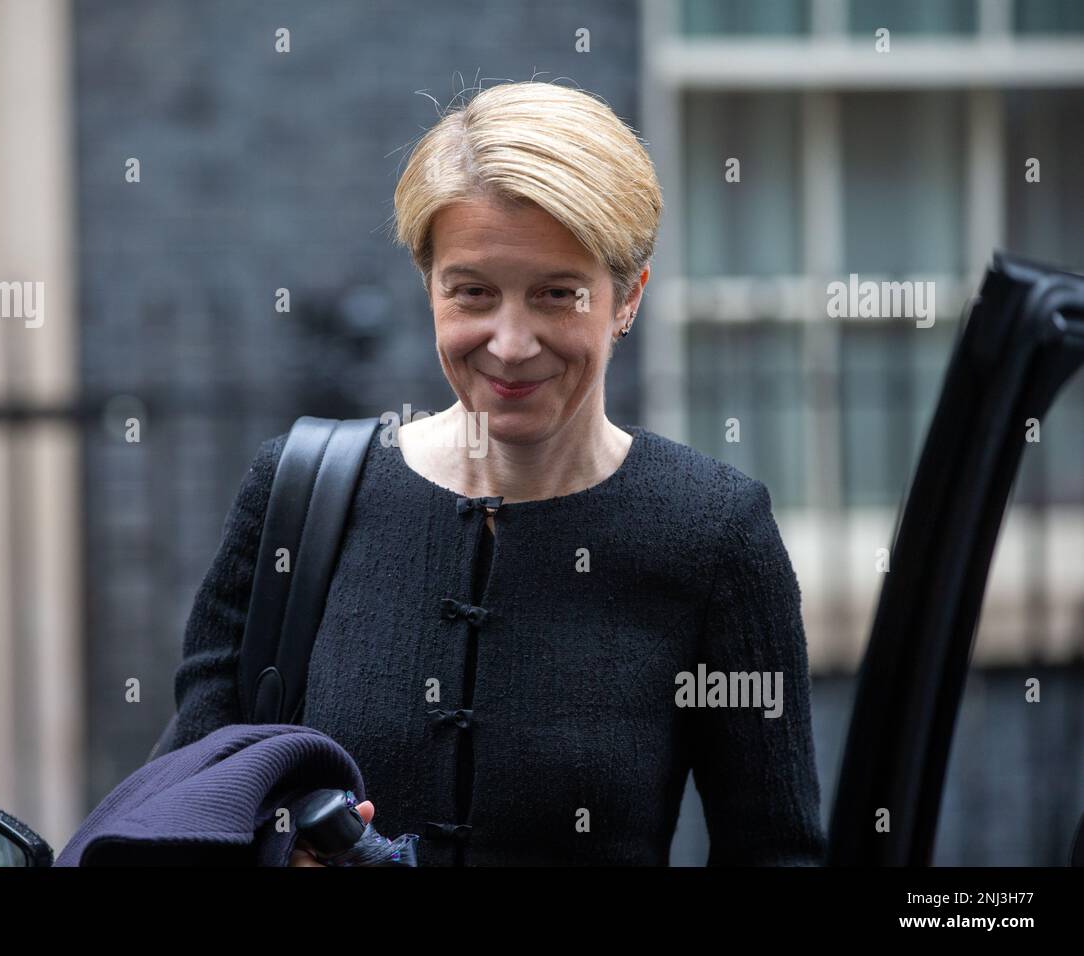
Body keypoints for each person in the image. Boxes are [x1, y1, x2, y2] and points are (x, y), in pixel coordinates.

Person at [170, 80, 826, 866]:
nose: (511, 344)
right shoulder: (296, 496)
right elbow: (189, 809)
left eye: (557, 295)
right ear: (430, 289)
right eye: (473, 292)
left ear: (629, 298)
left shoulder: (713, 532)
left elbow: (776, 852)